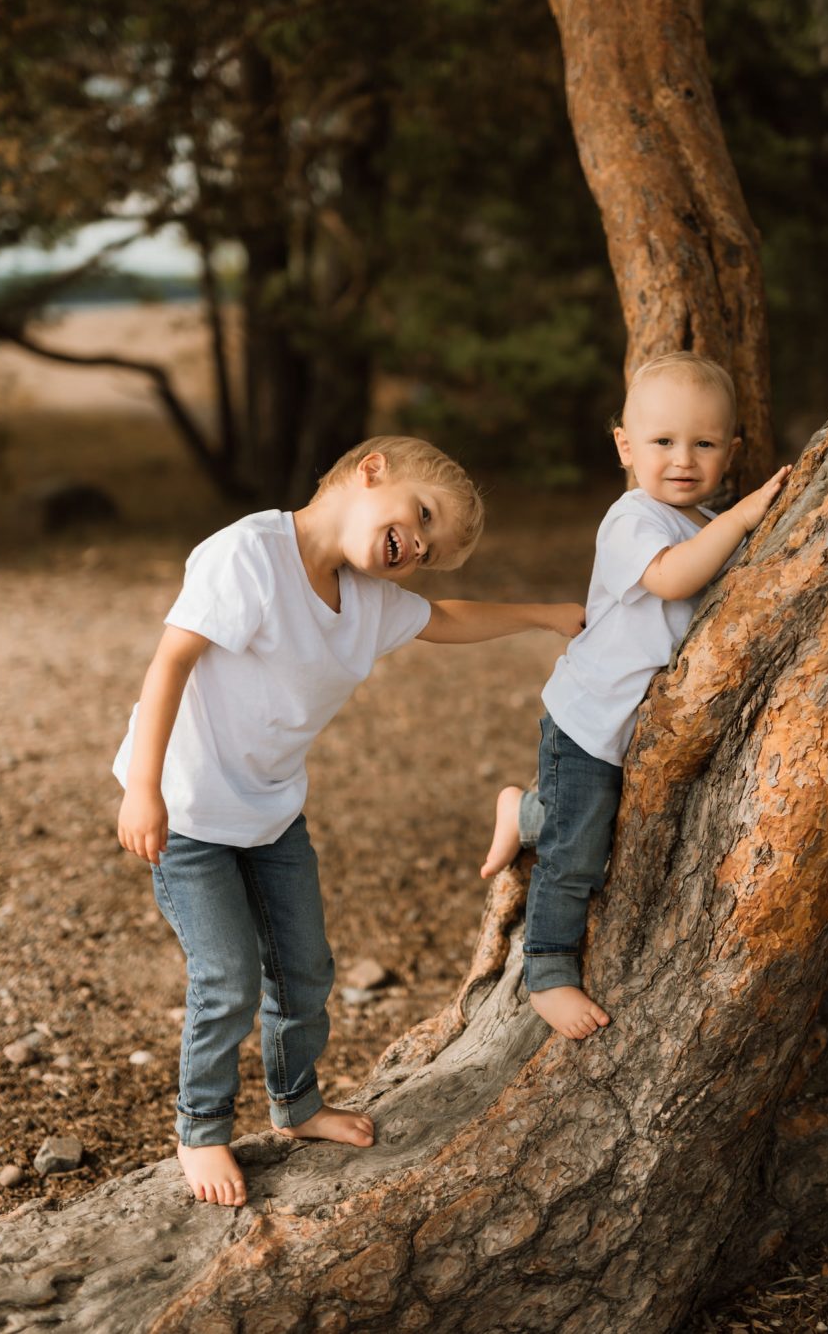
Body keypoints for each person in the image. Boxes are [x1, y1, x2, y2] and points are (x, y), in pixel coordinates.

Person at [115, 435, 585, 1208]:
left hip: (270, 811)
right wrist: (143, 788)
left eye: (430, 552)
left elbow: (446, 616)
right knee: (227, 976)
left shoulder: (366, 598)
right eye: (422, 516)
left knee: (305, 968)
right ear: (371, 471)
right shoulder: (249, 555)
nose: (419, 547)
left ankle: (295, 1102)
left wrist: (545, 615)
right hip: (188, 808)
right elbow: (171, 662)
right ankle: (200, 1127)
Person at [480, 353, 792, 1041]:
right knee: (577, 856)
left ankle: (524, 810)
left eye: (704, 443)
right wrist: (743, 517)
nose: (683, 459)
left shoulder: (701, 522)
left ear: (731, 450)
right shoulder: (633, 518)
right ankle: (547, 970)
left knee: (597, 825)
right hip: (590, 719)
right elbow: (674, 579)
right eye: (663, 441)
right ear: (625, 446)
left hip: (630, 728)